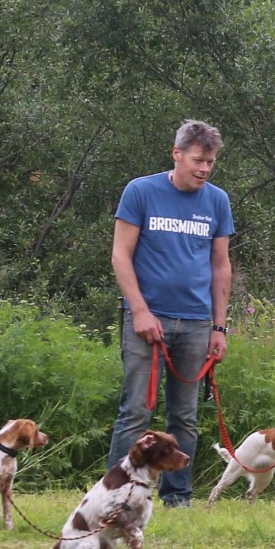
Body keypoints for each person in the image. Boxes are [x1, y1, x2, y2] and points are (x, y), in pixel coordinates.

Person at [108, 120, 233, 508]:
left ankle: (178, 496)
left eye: (210, 162)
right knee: (135, 412)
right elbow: (120, 255)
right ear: (177, 154)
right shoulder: (141, 191)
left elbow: (221, 265)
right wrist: (140, 311)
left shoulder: (217, 201)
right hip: (148, 320)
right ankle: (117, 494)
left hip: (196, 322)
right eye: (198, 160)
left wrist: (219, 327)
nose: (204, 169)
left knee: (186, 416)